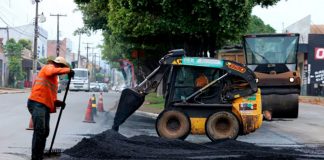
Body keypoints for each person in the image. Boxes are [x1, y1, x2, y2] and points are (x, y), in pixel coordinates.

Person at [27, 57, 74, 160]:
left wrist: (58, 103)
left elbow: (51, 98)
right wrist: (68, 70)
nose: (61, 71)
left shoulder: (54, 80)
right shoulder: (48, 67)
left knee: (45, 131)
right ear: (59, 65)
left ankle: (39, 155)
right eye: (62, 68)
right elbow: (51, 71)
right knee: (40, 130)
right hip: (36, 103)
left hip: (44, 106)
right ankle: (36, 157)